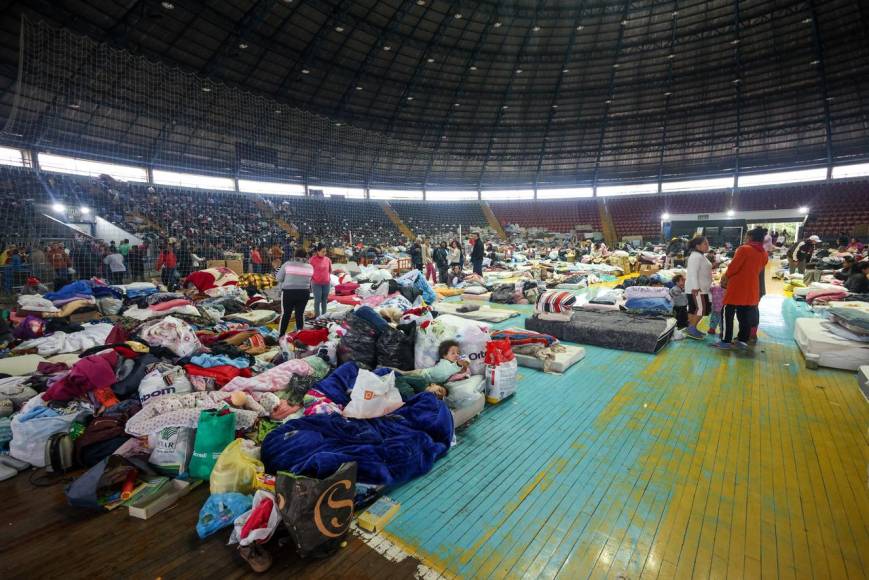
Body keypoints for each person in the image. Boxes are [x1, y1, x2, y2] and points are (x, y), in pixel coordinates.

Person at [713, 227, 769, 350]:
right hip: (752, 287)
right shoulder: (764, 253)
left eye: (746, 237)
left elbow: (733, 267)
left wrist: (725, 276)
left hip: (738, 287)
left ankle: (725, 341)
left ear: (750, 237)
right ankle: (742, 340)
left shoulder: (744, 249)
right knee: (744, 314)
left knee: (727, 312)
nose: (744, 239)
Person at [277, 248, 314, 335]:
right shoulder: (310, 267)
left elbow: (279, 278)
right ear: (306, 256)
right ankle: (300, 336)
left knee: (286, 314)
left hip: (289, 293)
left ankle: (281, 335)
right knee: (300, 314)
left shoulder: (287, 264)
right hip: (304, 293)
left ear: (295, 255)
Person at [684, 236, 712, 340]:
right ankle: (691, 329)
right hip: (697, 289)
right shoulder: (696, 256)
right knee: (701, 309)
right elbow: (692, 273)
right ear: (698, 246)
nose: (707, 245)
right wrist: (695, 288)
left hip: (699, 288)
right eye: (705, 243)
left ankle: (692, 329)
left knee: (693, 309)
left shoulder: (700, 256)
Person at [309, 243, 332, 318]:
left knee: (324, 300)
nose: (324, 253)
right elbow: (309, 271)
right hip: (316, 283)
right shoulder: (312, 260)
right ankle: (318, 317)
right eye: (323, 251)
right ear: (318, 251)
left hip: (326, 283)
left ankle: (324, 316)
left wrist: (327, 278)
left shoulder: (327, 259)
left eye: (325, 251)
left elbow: (330, 270)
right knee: (317, 300)